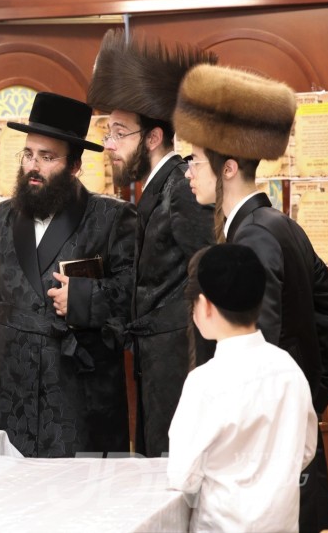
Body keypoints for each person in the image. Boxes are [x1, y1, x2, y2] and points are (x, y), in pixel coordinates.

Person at [175, 63, 328, 531]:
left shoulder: (254, 237)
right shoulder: (278, 224)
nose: (187, 173)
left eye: (194, 161)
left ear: (227, 168)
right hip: (281, 455)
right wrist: (309, 395)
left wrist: (305, 400)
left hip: (258, 480)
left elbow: (254, 357)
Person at [0, 92, 136, 457]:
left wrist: (82, 300)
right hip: (10, 382)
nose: (33, 166)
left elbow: (133, 296)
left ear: (74, 166)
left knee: (80, 487)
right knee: (8, 482)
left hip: (79, 390)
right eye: (28, 154)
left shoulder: (112, 218)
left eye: (47, 157)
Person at [85, 29, 215, 457]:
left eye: (119, 132)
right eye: (108, 132)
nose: (109, 145)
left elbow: (210, 279)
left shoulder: (181, 189)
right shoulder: (157, 190)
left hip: (181, 368)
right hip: (157, 366)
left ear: (153, 137)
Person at [168, 243, 317, 532]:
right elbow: (306, 448)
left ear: (205, 305)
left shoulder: (204, 381)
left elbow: (182, 476)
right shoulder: (289, 369)